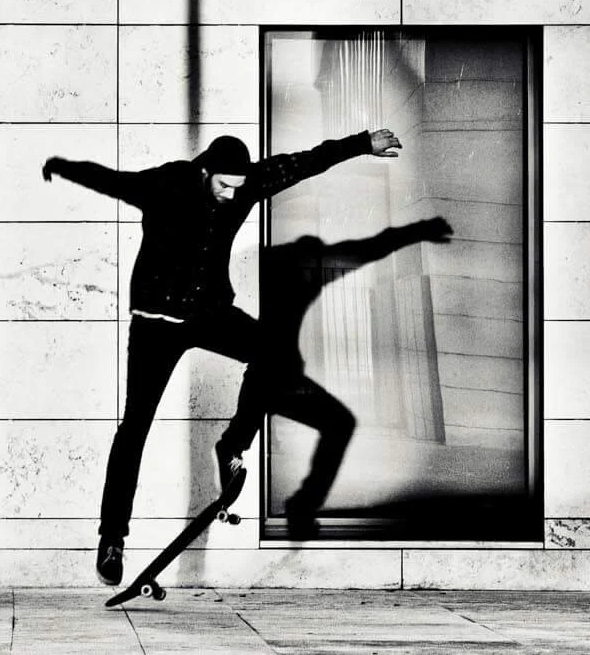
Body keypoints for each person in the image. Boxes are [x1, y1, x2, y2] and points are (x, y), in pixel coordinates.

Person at [42, 126, 403, 586]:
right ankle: (112, 540)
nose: (232, 196)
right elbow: (113, 180)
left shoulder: (247, 183)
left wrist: (360, 144)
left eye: (238, 187)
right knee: (135, 428)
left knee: (274, 353)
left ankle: (231, 445)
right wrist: (64, 167)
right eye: (223, 186)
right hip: (155, 324)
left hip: (209, 313)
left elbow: (303, 160)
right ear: (205, 171)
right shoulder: (166, 184)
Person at [221, 216, 454, 540]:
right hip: (272, 375)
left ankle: (242, 455)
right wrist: (420, 230)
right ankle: (265, 474)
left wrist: (418, 231)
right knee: (325, 415)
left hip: (277, 376)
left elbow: (371, 247)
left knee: (330, 419)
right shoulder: (281, 265)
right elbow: (370, 247)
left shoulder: (296, 266)